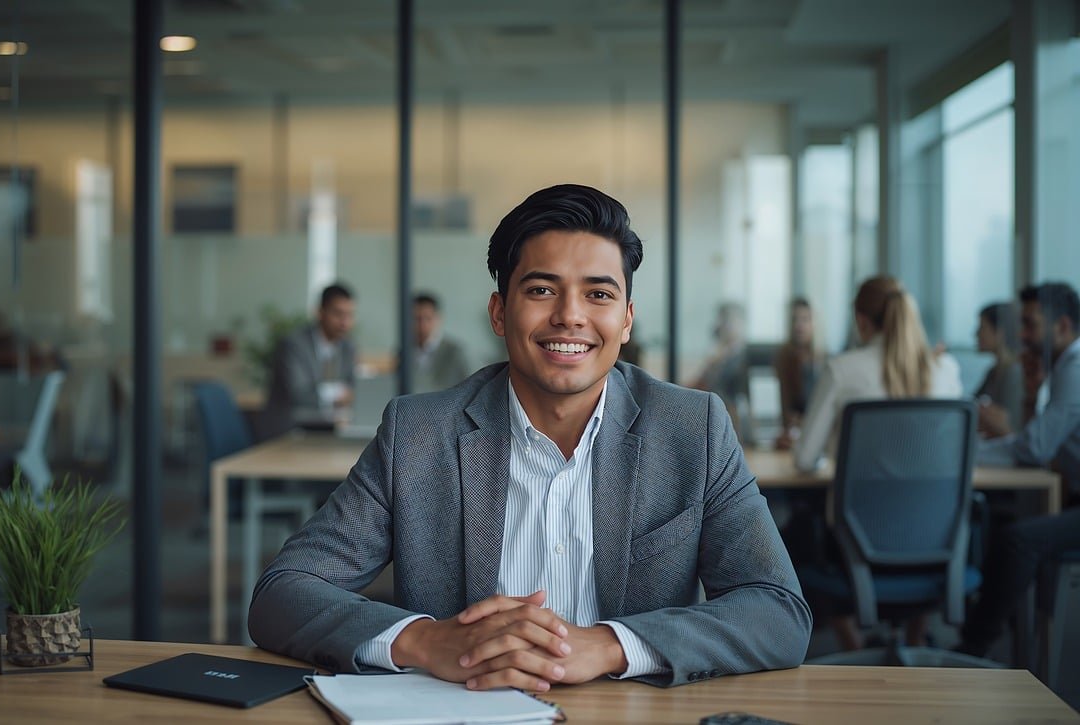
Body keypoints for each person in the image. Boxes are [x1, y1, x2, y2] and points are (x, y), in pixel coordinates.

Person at [250, 184, 811, 690]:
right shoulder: (419, 435)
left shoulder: (694, 429)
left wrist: (610, 646)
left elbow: (778, 611)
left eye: (598, 294)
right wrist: (424, 641)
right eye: (542, 290)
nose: (570, 317)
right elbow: (282, 592)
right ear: (499, 312)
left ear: (628, 319)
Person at [791, 276, 961, 651]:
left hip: (853, 538)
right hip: (933, 536)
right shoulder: (945, 369)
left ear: (862, 320)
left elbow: (804, 459)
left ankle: (853, 649)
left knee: (796, 529)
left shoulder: (843, 369)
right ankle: (916, 643)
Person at [960, 282, 1080, 657]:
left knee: (1015, 540)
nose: (1023, 336)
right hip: (1071, 496)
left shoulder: (1075, 368)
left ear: (1061, 326)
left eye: (1030, 325)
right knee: (1008, 529)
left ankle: (973, 649)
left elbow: (1034, 447)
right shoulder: (1062, 369)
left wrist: (969, 453)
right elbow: (1041, 447)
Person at [260, 283, 357, 438]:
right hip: (289, 431)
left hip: (329, 429)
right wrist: (337, 393)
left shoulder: (347, 347)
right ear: (320, 312)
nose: (344, 322)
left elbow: (352, 389)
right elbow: (299, 394)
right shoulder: (293, 344)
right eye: (338, 314)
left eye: (349, 315)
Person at [691, 303, 749, 438]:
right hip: (713, 414)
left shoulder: (739, 357)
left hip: (729, 419)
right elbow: (699, 383)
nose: (719, 325)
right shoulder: (719, 356)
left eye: (725, 320)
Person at [773, 298, 823, 451]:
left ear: (814, 323)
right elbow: (785, 409)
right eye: (795, 319)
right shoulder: (784, 357)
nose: (799, 325)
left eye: (805, 319)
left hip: (819, 432)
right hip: (794, 435)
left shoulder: (824, 361)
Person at [973, 302, 1024, 437]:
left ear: (999, 332)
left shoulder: (1014, 373)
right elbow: (971, 405)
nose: (976, 334)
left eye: (982, 327)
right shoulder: (994, 372)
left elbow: (1010, 429)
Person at [411, 293, 470, 392]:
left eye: (427, 318)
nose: (422, 325)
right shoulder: (404, 352)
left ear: (438, 319)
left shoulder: (456, 353)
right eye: (416, 319)